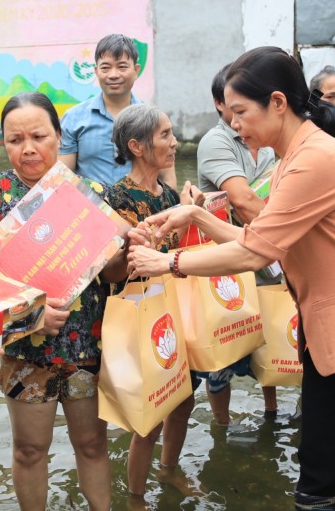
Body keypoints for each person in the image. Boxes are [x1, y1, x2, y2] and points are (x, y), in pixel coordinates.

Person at [126, 47, 335, 511]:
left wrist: (169, 263)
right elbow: (265, 238)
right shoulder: (291, 158)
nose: (234, 124)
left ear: (278, 103)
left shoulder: (313, 160)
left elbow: (257, 251)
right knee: (318, 476)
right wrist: (199, 214)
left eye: (240, 112)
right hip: (332, 341)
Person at [0, 92, 110, 511]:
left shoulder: (88, 193)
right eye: (15, 139)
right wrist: (29, 316)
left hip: (85, 346)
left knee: (93, 443)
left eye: (39, 136)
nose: (27, 148)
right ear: (4, 143)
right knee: (30, 449)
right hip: (25, 348)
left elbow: (114, 274)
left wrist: (124, 248)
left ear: (59, 137)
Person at [101, 104, 202, 498]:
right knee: (150, 416)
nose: (175, 142)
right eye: (165, 135)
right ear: (137, 146)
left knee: (183, 399)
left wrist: (196, 211)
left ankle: (168, 469)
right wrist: (130, 248)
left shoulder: (170, 194)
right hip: (141, 317)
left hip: (173, 311)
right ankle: (136, 497)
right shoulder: (117, 198)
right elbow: (109, 274)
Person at [196, 64, 279, 423]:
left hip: (268, 253)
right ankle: (222, 424)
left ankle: (273, 410)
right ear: (220, 104)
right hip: (231, 259)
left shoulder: (265, 141)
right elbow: (243, 201)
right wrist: (286, 232)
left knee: (270, 333)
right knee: (225, 348)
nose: (242, 114)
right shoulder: (216, 142)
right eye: (236, 106)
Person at [60, 34, 175, 187]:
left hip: (143, 208)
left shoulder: (154, 121)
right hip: (92, 209)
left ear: (136, 70)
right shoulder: (74, 118)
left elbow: (167, 179)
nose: (113, 75)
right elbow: (63, 178)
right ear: (96, 71)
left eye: (122, 67)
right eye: (106, 68)